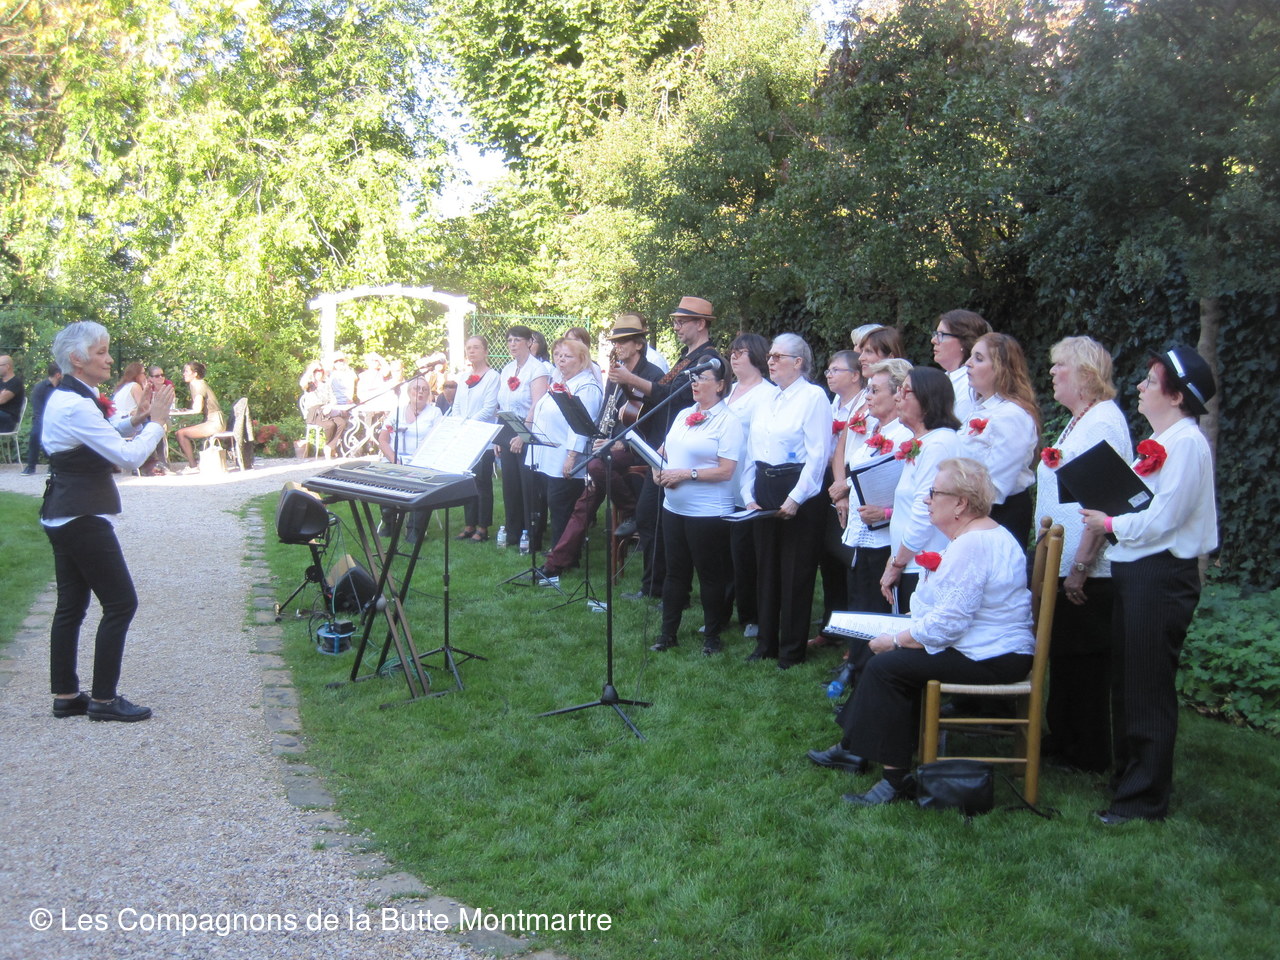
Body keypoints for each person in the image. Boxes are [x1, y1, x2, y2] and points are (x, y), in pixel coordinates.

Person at [808, 458, 1035, 805]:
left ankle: (893, 780)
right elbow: (949, 613)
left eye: (934, 493)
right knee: (887, 658)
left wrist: (898, 639)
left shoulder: (973, 544)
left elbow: (948, 624)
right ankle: (855, 749)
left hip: (994, 655)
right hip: (986, 647)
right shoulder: (978, 535)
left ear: (960, 503)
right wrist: (906, 631)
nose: (927, 499)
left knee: (887, 667)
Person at [1082, 344, 1217, 824]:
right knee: (1128, 682)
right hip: (1138, 570)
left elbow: (1164, 518)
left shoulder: (1187, 444)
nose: (1139, 386)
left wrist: (1109, 523)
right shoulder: (1163, 441)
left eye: (1151, 381)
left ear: (1177, 396)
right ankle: (1129, 779)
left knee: (1147, 687)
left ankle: (1144, 800)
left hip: (1161, 575)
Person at [40, 321, 174, 722]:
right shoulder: (76, 404)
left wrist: (137, 418)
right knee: (120, 603)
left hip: (63, 512)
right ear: (77, 359)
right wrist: (157, 423)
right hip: (81, 515)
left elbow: (98, 433)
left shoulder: (68, 397)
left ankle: (66, 695)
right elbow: (128, 457)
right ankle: (103, 699)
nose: (110, 359)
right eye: (101, 352)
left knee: (71, 606)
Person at [1035, 336, 1133, 774]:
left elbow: (1105, 500)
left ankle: (1089, 751)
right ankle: (1063, 736)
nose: (1052, 372)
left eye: (1061, 366)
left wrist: (1081, 565)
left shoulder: (1104, 422)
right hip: (1064, 558)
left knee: (1086, 660)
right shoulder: (1079, 421)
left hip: (1090, 569)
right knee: (1065, 655)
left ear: (1086, 374)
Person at [609, 296, 723, 600]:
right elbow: (664, 393)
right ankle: (657, 587)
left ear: (701, 324)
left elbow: (675, 396)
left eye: (681, 322)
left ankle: (666, 589)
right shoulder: (688, 357)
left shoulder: (707, 359)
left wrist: (631, 379)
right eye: (675, 321)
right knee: (652, 518)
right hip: (665, 446)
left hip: (684, 452)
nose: (676, 327)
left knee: (659, 520)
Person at [535, 318, 664, 585]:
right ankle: (555, 563)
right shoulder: (615, 374)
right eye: (615, 342)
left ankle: (632, 512)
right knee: (584, 504)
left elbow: (654, 422)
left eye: (623, 342)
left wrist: (621, 442)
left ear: (638, 345)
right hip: (612, 451)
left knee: (595, 466)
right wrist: (602, 438)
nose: (618, 347)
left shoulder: (652, 374)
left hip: (641, 448)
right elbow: (607, 412)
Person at [741, 333, 831, 669]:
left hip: (798, 487)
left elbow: (818, 455)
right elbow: (752, 450)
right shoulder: (767, 398)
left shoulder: (813, 397)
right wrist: (748, 494)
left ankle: (792, 650)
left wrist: (796, 498)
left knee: (795, 570)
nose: (771, 361)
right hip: (764, 484)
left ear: (798, 362)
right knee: (766, 568)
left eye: (778, 356)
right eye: (770, 356)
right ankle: (766, 643)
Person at [650, 362, 743, 654]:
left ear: (720, 385)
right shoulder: (683, 415)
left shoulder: (728, 421)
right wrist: (657, 470)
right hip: (673, 507)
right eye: (693, 378)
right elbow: (662, 452)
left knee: (709, 575)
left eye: (701, 378)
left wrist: (685, 474)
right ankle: (667, 634)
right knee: (675, 572)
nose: (694, 383)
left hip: (707, 512)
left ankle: (712, 636)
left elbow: (726, 471)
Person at [878, 366, 962, 614]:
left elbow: (925, 512)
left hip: (924, 564)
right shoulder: (926, 442)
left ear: (927, 400)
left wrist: (897, 563)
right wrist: (895, 556)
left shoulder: (938, 445)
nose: (897, 397)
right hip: (911, 560)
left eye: (905, 391)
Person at [840, 359, 915, 612]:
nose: (868, 397)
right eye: (868, 390)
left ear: (897, 395)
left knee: (876, 609)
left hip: (886, 540)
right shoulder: (876, 428)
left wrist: (885, 513)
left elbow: (913, 493)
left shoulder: (905, 436)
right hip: (863, 535)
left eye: (875, 390)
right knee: (860, 604)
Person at [960, 332, 1040, 544]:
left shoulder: (1012, 415)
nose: (968, 363)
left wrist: (958, 508)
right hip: (974, 510)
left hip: (998, 514)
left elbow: (996, 485)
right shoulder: (981, 408)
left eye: (978, 358)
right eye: (971, 356)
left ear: (1001, 369)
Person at [526, 338, 604, 554]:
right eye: (558, 355)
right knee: (554, 504)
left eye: (567, 356)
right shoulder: (559, 382)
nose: (560, 360)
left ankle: (564, 554)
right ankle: (557, 550)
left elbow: (580, 426)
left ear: (582, 359)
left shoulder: (586, 386)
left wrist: (571, 457)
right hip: (548, 455)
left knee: (563, 507)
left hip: (566, 457)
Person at [724, 333, 777, 638]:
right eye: (733, 351)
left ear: (756, 356)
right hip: (722, 482)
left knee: (746, 554)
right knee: (724, 553)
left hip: (748, 481)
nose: (734, 356)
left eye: (741, 352)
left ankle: (752, 615)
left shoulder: (766, 394)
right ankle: (721, 610)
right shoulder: (729, 390)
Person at [498, 325, 553, 546]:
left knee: (528, 482)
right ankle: (513, 531)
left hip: (527, 426)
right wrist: (499, 437)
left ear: (529, 342)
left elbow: (536, 405)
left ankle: (532, 533)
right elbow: (502, 403)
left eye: (517, 340)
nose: (512, 344)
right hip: (507, 425)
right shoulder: (507, 369)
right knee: (510, 483)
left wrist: (523, 434)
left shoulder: (537, 369)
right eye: (509, 340)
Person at [376, 376, 443, 543]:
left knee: (421, 483)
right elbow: (383, 440)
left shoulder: (434, 413)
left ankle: (415, 528)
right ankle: (389, 521)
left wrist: (419, 459)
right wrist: (394, 459)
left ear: (428, 394)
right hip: (396, 460)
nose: (420, 392)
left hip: (421, 461)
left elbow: (438, 440)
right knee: (384, 476)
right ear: (408, 392)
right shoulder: (397, 411)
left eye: (424, 390)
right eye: (416, 388)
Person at [450, 335, 500, 541]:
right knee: (468, 481)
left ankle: (483, 526)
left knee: (482, 481)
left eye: (476, 347)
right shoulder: (464, 377)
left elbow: (489, 408)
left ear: (485, 351)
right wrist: (458, 423)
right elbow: (457, 405)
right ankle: (469, 524)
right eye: (469, 348)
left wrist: (468, 423)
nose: (472, 351)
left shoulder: (492, 377)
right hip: (465, 435)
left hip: (482, 437)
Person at [931, 309, 992, 423]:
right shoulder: (943, 379)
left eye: (941, 335)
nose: (933, 340)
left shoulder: (970, 385)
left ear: (963, 341)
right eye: (935, 334)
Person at [174, 361, 225, 472]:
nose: (184, 374)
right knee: (181, 432)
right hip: (214, 420)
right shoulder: (198, 384)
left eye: (186, 371)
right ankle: (193, 465)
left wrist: (184, 411)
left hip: (214, 423)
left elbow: (197, 408)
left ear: (195, 374)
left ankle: (193, 466)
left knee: (181, 433)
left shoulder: (197, 384)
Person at [300, 361, 348, 458]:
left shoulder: (326, 384)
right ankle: (330, 447)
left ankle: (329, 446)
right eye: (316, 371)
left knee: (341, 422)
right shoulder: (310, 384)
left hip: (327, 410)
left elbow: (333, 399)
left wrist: (329, 406)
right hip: (314, 412)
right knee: (330, 425)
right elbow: (302, 383)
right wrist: (310, 370)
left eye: (320, 371)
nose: (319, 373)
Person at [22, 362, 62, 475]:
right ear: (58, 375)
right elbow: (38, 411)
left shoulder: (63, 387)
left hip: (59, 419)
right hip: (42, 419)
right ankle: (31, 467)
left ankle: (53, 466)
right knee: (36, 433)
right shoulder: (40, 388)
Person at [0, 353, 23, 432]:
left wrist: (2, 396)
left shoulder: (16, 382)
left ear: (7, 366)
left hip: (9, 418)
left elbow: (1, 400)